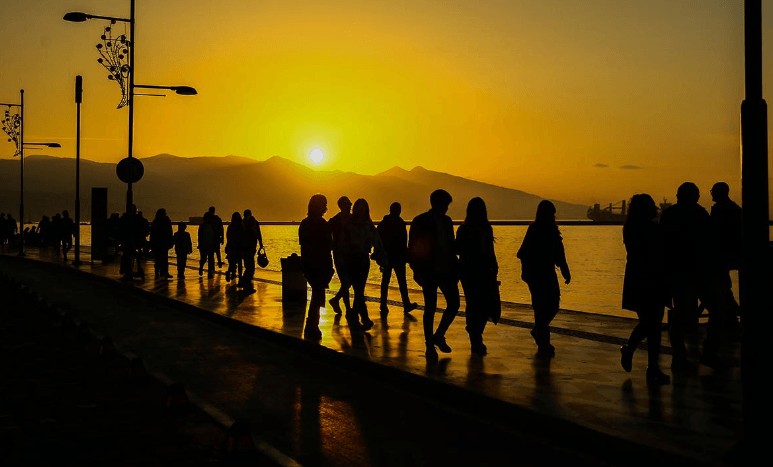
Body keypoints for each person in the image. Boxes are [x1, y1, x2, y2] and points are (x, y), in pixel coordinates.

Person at [659, 182, 711, 369]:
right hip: (696, 271)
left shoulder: (669, 215)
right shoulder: (700, 214)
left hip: (677, 271)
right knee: (705, 311)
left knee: (681, 315)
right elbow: (708, 241)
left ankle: (679, 355)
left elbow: (663, 245)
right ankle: (699, 353)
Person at [620, 194, 670, 385]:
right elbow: (659, 253)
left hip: (637, 278)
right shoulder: (651, 229)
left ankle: (641, 358)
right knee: (653, 324)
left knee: (650, 323)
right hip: (652, 278)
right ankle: (649, 364)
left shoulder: (630, 228)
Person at [408, 189, 460, 359]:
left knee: (454, 304)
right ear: (436, 203)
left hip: (447, 270)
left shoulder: (447, 221)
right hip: (429, 270)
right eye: (445, 205)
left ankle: (438, 335)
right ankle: (430, 344)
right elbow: (413, 248)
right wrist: (417, 270)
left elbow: (451, 246)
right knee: (430, 307)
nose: (446, 208)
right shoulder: (421, 221)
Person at [517, 200, 571, 358]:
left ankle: (538, 330)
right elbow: (523, 252)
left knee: (553, 305)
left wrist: (565, 271)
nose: (553, 217)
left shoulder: (553, 231)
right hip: (536, 274)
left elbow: (560, 253)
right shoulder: (534, 229)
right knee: (540, 308)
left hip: (548, 272)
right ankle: (543, 342)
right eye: (551, 214)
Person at [456, 197, 499, 356]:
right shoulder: (478, 228)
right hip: (476, 271)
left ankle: (474, 333)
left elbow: (459, 250)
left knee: (475, 304)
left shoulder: (466, 229)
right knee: (479, 304)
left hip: (471, 271)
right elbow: (488, 251)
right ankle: (476, 336)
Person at [346, 198, 387, 331]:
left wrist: (380, 257)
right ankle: (357, 317)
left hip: (363, 259)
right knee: (358, 291)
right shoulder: (350, 223)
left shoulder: (367, 224)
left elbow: (377, 242)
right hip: (351, 259)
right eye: (359, 207)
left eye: (363, 207)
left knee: (359, 290)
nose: (361, 210)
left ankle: (362, 318)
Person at [298, 194, 334, 340]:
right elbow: (328, 245)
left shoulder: (305, 223)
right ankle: (312, 324)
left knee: (317, 293)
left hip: (311, 264)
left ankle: (312, 324)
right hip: (317, 265)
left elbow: (305, 245)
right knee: (317, 294)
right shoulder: (320, 224)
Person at [377, 202, 418, 317]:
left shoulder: (383, 223)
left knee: (385, 281)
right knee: (401, 282)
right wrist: (407, 256)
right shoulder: (400, 223)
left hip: (388, 256)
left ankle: (383, 304)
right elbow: (404, 242)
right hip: (398, 257)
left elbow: (378, 240)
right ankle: (406, 304)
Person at [328, 196, 353, 316]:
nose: (350, 205)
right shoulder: (334, 220)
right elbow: (326, 234)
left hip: (351, 254)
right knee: (346, 282)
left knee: (347, 282)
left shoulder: (354, 219)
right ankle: (343, 305)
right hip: (339, 254)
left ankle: (340, 303)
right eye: (348, 204)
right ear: (343, 206)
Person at [240, 209, 264, 292]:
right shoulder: (250, 227)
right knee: (250, 268)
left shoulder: (243, 224)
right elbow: (258, 234)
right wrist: (261, 244)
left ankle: (244, 282)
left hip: (245, 250)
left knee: (248, 267)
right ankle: (245, 284)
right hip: (249, 250)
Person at [149, 208, 174, 279]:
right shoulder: (166, 221)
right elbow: (170, 232)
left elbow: (152, 234)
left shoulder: (156, 221)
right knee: (163, 258)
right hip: (162, 242)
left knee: (159, 258)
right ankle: (163, 272)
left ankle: (160, 272)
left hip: (159, 242)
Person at [225, 211, 245, 283]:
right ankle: (240, 276)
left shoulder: (230, 226)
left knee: (232, 263)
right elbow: (243, 237)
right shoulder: (241, 226)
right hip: (239, 247)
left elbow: (228, 237)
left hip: (231, 246)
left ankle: (230, 272)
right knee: (239, 262)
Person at [197, 212, 219, 279]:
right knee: (203, 259)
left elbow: (215, 236)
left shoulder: (213, 226)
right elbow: (199, 236)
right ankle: (201, 268)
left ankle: (209, 273)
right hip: (204, 245)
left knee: (210, 259)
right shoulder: (202, 226)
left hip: (210, 245)